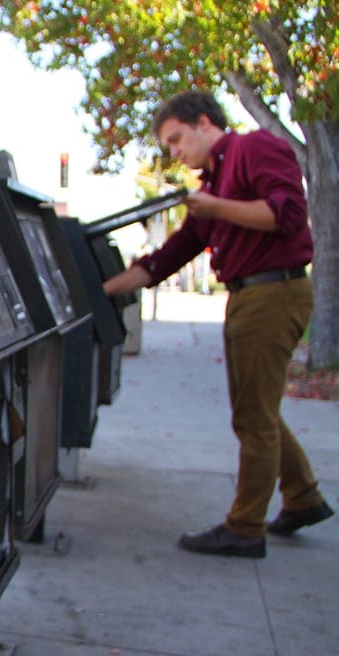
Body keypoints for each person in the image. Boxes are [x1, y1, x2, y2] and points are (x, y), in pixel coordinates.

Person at [103, 90, 333, 558]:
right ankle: (303, 496)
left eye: (176, 140)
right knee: (258, 408)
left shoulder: (254, 149)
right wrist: (99, 290)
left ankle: (245, 527)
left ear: (204, 122)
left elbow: (287, 214)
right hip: (250, 295)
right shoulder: (213, 186)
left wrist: (215, 207)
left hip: (274, 291)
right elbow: (170, 256)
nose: (176, 154)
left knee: (252, 415)